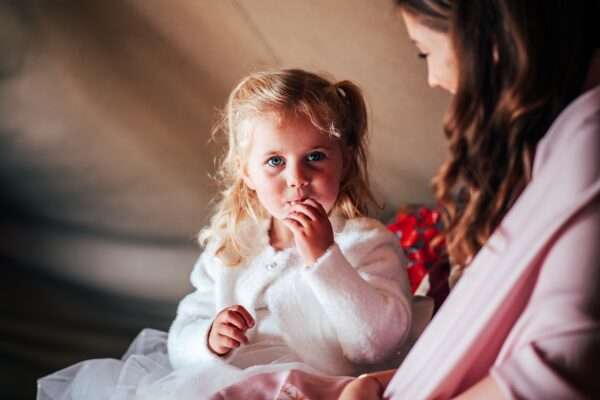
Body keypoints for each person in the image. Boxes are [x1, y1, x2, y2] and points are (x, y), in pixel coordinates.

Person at [37, 68, 414, 399]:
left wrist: (325, 258)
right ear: (246, 172)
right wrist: (210, 338)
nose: (297, 179)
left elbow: (377, 347)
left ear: (345, 160)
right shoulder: (232, 247)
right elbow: (180, 336)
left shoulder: (366, 243)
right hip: (221, 383)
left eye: (315, 156)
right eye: (275, 161)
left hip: (311, 389)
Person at [339, 0, 600, 398]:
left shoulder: (587, 149)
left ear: (487, 36)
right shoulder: (560, 142)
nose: (432, 79)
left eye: (425, 51)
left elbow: (560, 367)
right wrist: (376, 384)